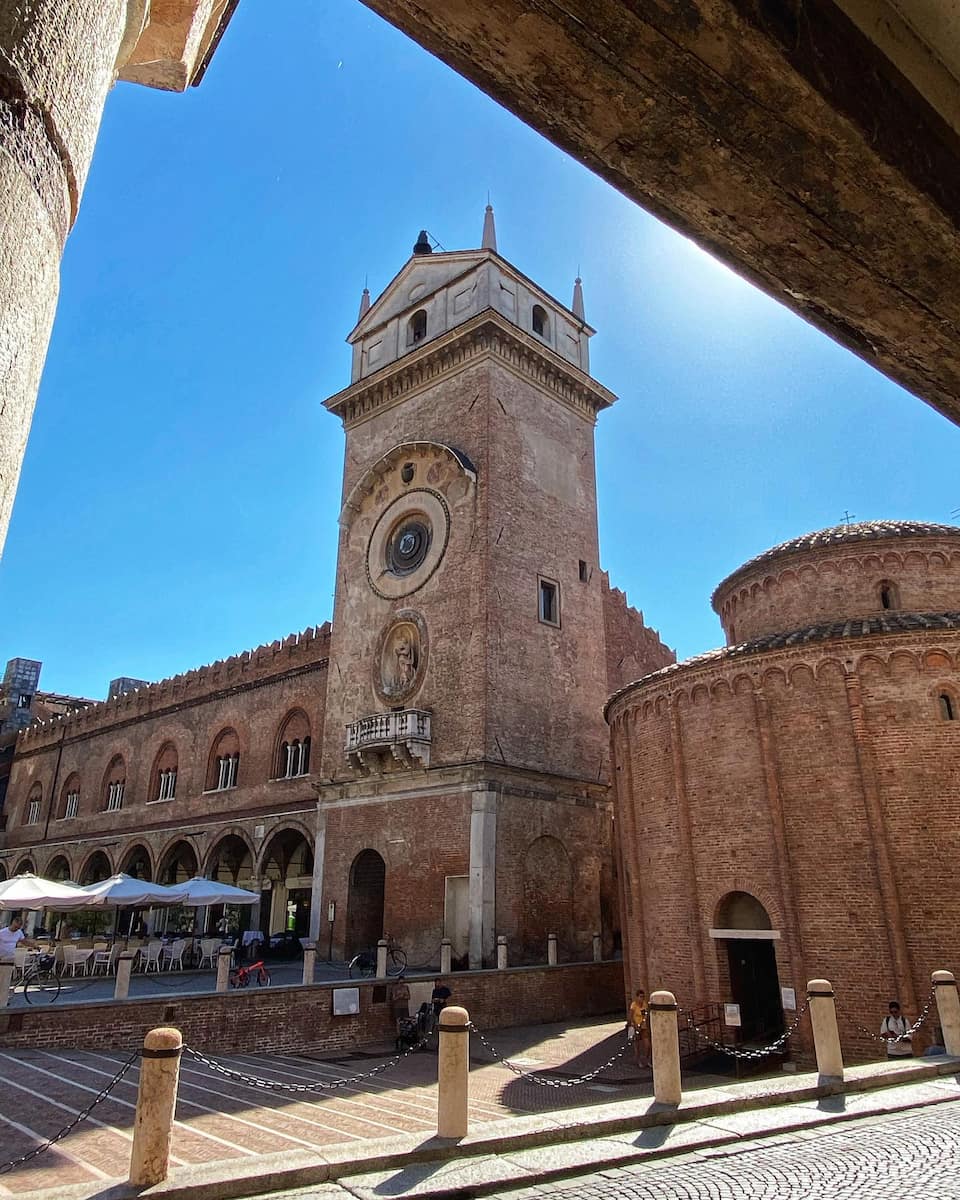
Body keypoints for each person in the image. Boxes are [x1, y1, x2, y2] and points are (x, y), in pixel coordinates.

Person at [627, 987, 649, 1067]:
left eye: (643, 997)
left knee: (647, 1044)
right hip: (635, 1026)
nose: (642, 999)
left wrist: (643, 1023)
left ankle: (646, 1060)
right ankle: (638, 1060)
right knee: (637, 1044)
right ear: (637, 997)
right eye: (640, 997)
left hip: (643, 1026)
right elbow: (631, 1016)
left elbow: (645, 1015)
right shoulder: (634, 1005)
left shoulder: (644, 1005)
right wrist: (635, 1025)